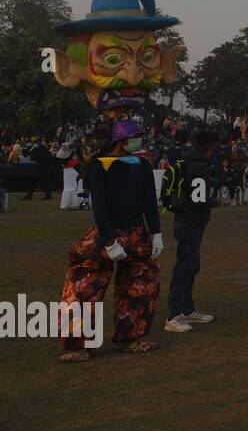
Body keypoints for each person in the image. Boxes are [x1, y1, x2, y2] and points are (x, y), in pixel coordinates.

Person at [56, 120, 164, 362]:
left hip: (137, 233)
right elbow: (100, 208)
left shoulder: (142, 165)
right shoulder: (98, 167)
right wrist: (108, 240)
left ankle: (131, 337)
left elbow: (149, 202)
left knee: (142, 286)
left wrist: (156, 232)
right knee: (84, 284)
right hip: (107, 233)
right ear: (121, 141)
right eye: (136, 137)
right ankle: (77, 344)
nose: (140, 141)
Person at [164, 130, 220, 333]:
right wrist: (213, 201)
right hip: (191, 221)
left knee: (191, 264)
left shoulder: (186, 161)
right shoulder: (200, 166)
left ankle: (187, 309)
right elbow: (199, 198)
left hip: (185, 219)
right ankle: (173, 315)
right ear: (208, 146)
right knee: (184, 267)